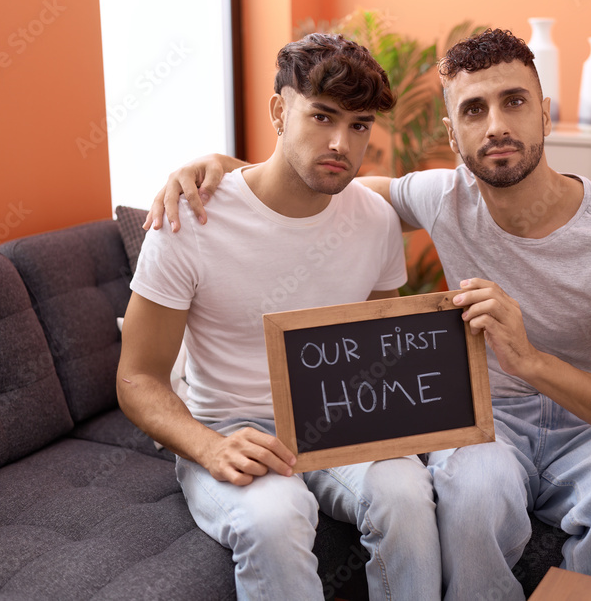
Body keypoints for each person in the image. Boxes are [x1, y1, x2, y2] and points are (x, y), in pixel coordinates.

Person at [148, 28, 591, 599]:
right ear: (452, 134)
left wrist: (530, 361)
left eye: (515, 101)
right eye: (474, 110)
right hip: (489, 419)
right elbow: (314, 182)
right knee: (470, 487)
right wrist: (223, 169)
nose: (497, 126)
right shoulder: (438, 196)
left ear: (546, 115)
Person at [117, 33, 442, 600]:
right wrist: (209, 447)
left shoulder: (375, 220)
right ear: (278, 110)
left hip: (338, 421)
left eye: (360, 125)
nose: (341, 142)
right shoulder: (189, 219)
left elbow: (374, 352)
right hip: (228, 429)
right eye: (321, 117)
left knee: (410, 493)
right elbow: (136, 378)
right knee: (274, 518)